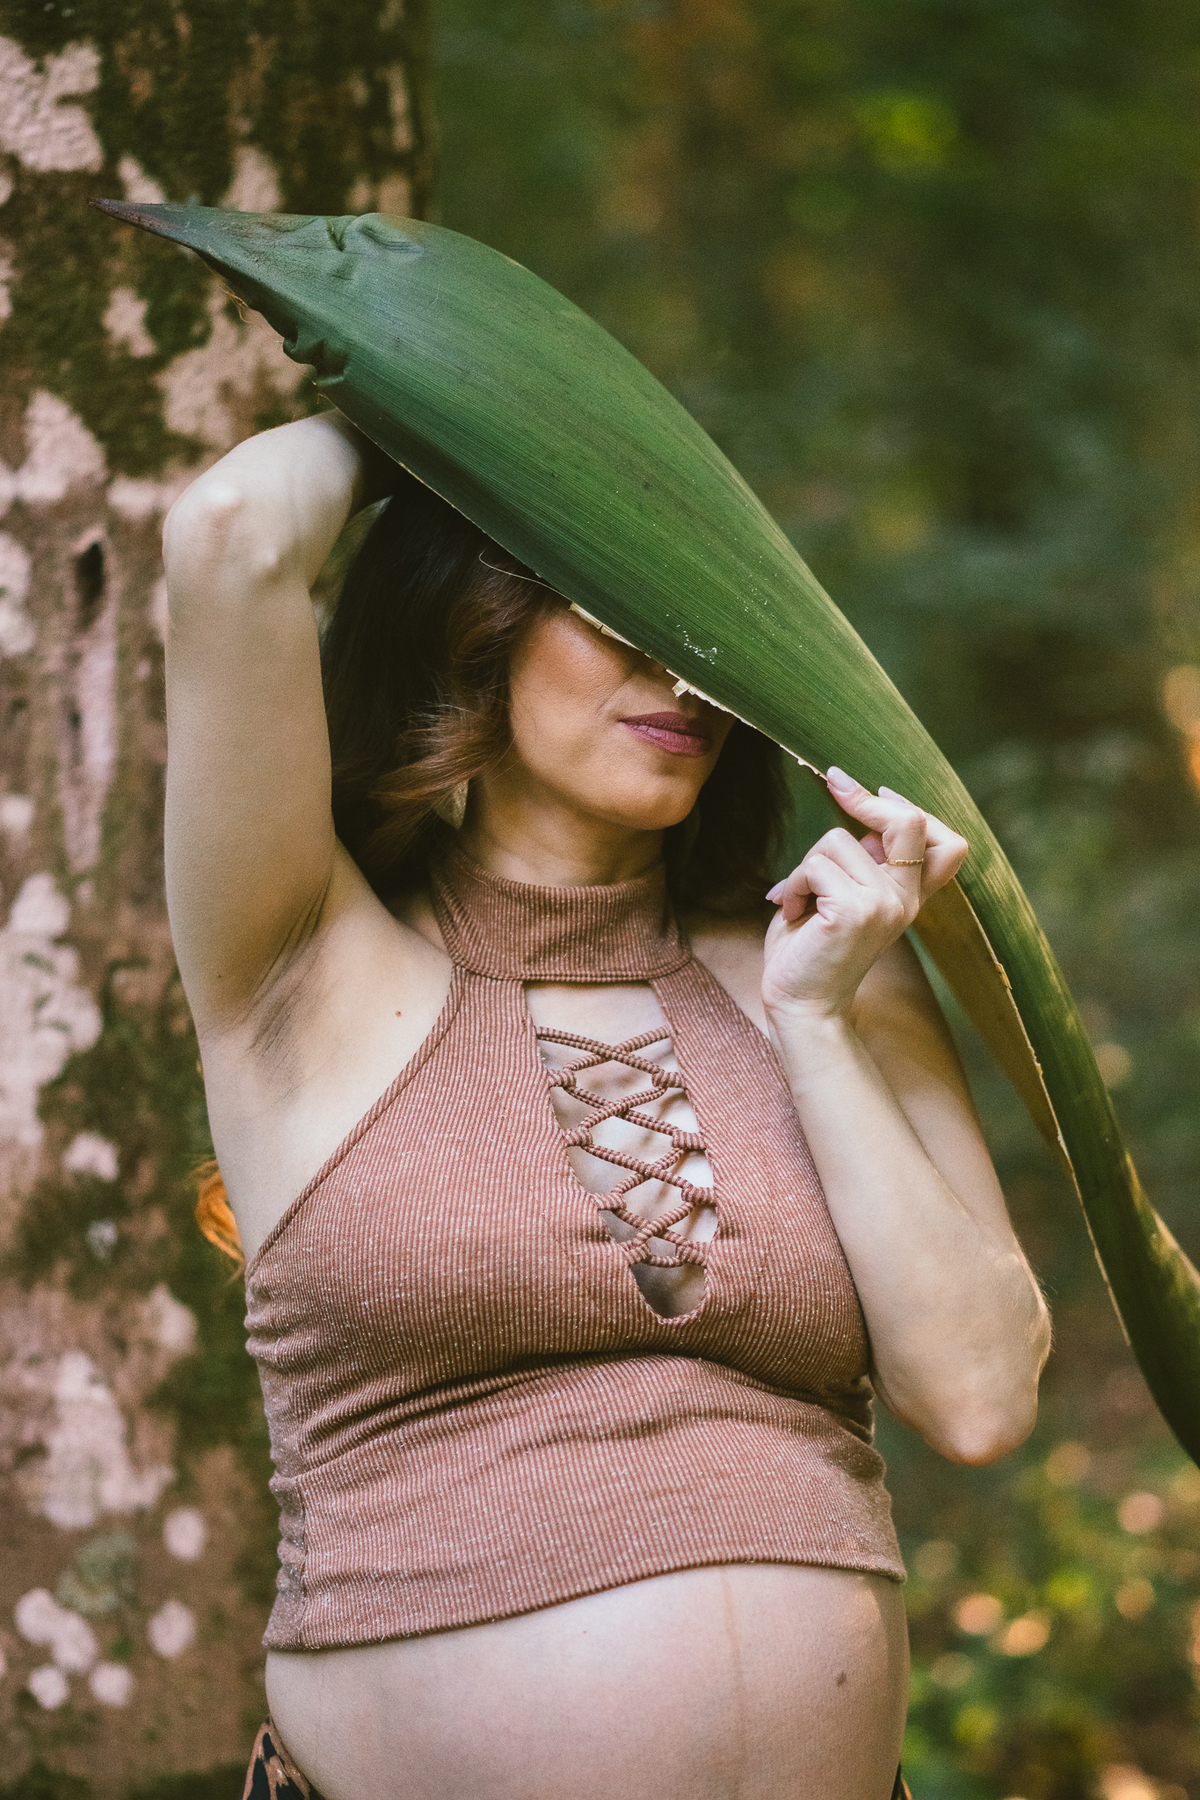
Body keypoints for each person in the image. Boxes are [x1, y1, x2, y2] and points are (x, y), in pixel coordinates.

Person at [163, 408, 1050, 1800]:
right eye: (612, 602)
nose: (680, 671)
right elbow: (231, 533)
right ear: (473, 614)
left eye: (708, 626)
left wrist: (814, 1024)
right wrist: (502, 404)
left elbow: (981, 1396)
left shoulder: (834, 962)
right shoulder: (302, 967)